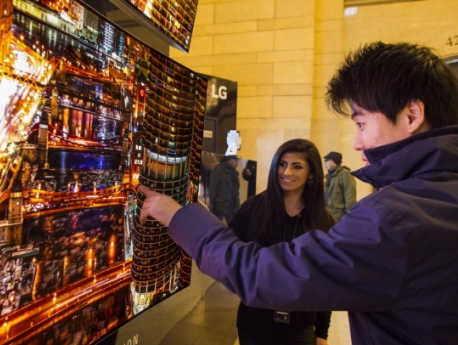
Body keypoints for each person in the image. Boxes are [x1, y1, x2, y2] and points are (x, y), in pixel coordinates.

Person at [139, 41, 458, 344]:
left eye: (361, 123)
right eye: (283, 165)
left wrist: (181, 217)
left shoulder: (395, 219)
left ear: (412, 115)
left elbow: (263, 275)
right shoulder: (437, 198)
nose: (356, 143)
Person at [229, 139, 334, 345]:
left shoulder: (322, 220)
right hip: (255, 322)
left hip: (301, 326)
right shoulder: (254, 208)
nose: (287, 173)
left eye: (297, 167)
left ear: (311, 173)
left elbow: (325, 281)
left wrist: (322, 332)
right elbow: (229, 253)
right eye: (282, 164)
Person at [323, 151, 357, 222]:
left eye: (327, 160)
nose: (325, 163)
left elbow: (349, 194)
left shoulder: (345, 174)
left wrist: (349, 214)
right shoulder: (328, 176)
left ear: (334, 161)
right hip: (328, 215)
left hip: (339, 216)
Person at [208, 155, 240, 223]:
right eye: (235, 160)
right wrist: (211, 203)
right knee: (215, 225)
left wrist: (237, 205)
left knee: (233, 227)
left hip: (231, 207)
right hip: (219, 206)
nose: (236, 162)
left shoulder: (234, 173)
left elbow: (236, 191)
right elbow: (213, 187)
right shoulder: (218, 170)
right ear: (228, 160)